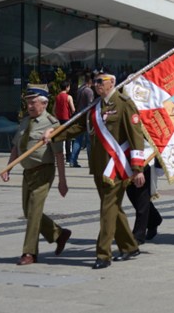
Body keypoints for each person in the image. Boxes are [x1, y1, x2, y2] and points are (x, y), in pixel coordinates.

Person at [46, 71, 144, 269]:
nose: (96, 85)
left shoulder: (124, 103)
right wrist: (54, 135)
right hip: (99, 166)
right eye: (95, 82)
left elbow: (136, 136)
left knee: (107, 210)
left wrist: (138, 168)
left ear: (112, 83)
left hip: (116, 167)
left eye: (101, 81)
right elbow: (77, 128)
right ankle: (129, 246)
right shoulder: (95, 107)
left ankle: (103, 254)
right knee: (113, 209)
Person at [0, 84, 71, 266]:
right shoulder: (25, 121)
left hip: (43, 172)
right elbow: (16, 146)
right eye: (28, 102)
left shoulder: (53, 124)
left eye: (34, 102)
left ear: (44, 103)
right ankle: (58, 234)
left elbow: (59, 155)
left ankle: (29, 252)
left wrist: (62, 181)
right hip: (27, 172)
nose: (30, 106)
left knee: (34, 212)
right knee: (28, 211)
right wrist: (9, 167)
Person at [126, 161, 163, 245]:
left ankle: (138, 236)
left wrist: (139, 169)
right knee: (131, 193)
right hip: (128, 159)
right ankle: (154, 219)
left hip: (145, 159)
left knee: (141, 197)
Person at [69, 73, 93, 167]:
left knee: (78, 140)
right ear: (90, 81)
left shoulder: (80, 90)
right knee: (89, 141)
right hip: (87, 118)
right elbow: (90, 105)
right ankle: (91, 162)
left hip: (79, 116)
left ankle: (72, 160)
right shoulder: (89, 91)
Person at [54, 80, 75, 164]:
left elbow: (53, 110)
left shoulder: (57, 97)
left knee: (59, 138)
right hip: (67, 119)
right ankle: (68, 158)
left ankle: (59, 156)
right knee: (68, 139)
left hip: (59, 120)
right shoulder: (69, 97)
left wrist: (56, 117)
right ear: (67, 87)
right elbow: (73, 109)